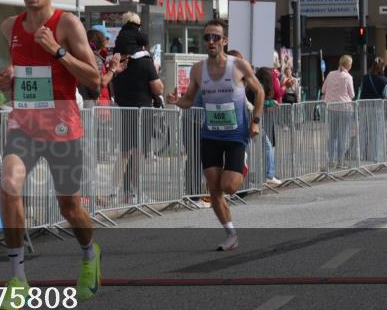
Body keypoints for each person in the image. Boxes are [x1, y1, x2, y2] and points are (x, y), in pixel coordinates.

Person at [0, 0, 101, 310]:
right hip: (23, 124)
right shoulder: (10, 26)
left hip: (62, 126)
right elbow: (15, 74)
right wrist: (5, 78)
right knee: (9, 185)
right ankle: (17, 278)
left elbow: (94, 79)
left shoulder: (67, 24)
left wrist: (56, 51)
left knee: (69, 207)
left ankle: (89, 253)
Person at [167, 19, 263, 251]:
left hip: (235, 135)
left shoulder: (239, 65)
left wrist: (256, 121)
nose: (211, 41)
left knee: (229, 186)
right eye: (207, 37)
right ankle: (230, 234)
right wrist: (177, 101)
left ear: (224, 41)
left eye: (215, 37)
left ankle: (241, 166)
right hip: (210, 134)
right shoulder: (198, 70)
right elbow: (190, 100)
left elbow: (259, 91)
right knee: (213, 188)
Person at [110, 46, 164, 202]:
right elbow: (158, 88)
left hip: (125, 111)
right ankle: (135, 193)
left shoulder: (119, 62)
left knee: (125, 154)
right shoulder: (146, 63)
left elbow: (114, 88)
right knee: (137, 155)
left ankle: (118, 192)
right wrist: (155, 71)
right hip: (142, 113)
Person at [321, 55, 355, 169]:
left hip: (331, 108)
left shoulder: (330, 74)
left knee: (333, 135)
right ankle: (340, 161)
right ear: (348, 65)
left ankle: (331, 160)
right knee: (342, 135)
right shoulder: (348, 77)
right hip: (345, 108)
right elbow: (352, 94)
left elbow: (323, 89)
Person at [255, 67, 280, 188]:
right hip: (254, 121)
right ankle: (269, 175)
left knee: (266, 146)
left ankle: (267, 175)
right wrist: (271, 102)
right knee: (267, 146)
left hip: (254, 120)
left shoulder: (255, 84)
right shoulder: (258, 86)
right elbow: (258, 101)